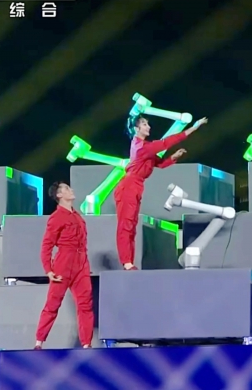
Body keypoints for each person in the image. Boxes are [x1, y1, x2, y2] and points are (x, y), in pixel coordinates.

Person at [114, 115, 207, 270]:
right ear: (136, 129)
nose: (148, 127)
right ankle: (127, 262)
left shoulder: (145, 147)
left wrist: (174, 157)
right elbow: (166, 142)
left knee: (132, 226)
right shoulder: (141, 147)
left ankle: (129, 262)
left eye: (147, 124)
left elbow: (160, 164)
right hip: (128, 186)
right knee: (126, 225)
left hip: (136, 186)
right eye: (144, 124)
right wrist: (194, 127)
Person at [35, 181, 93, 349]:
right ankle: (39, 342)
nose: (71, 190)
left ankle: (86, 344)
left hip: (81, 263)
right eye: (66, 189)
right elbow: (47, 245)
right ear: (59, 195)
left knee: (85, 304)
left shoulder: (77, 215)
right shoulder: (56, 218)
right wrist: (48, 269)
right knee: (53, 304)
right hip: (64, 263)